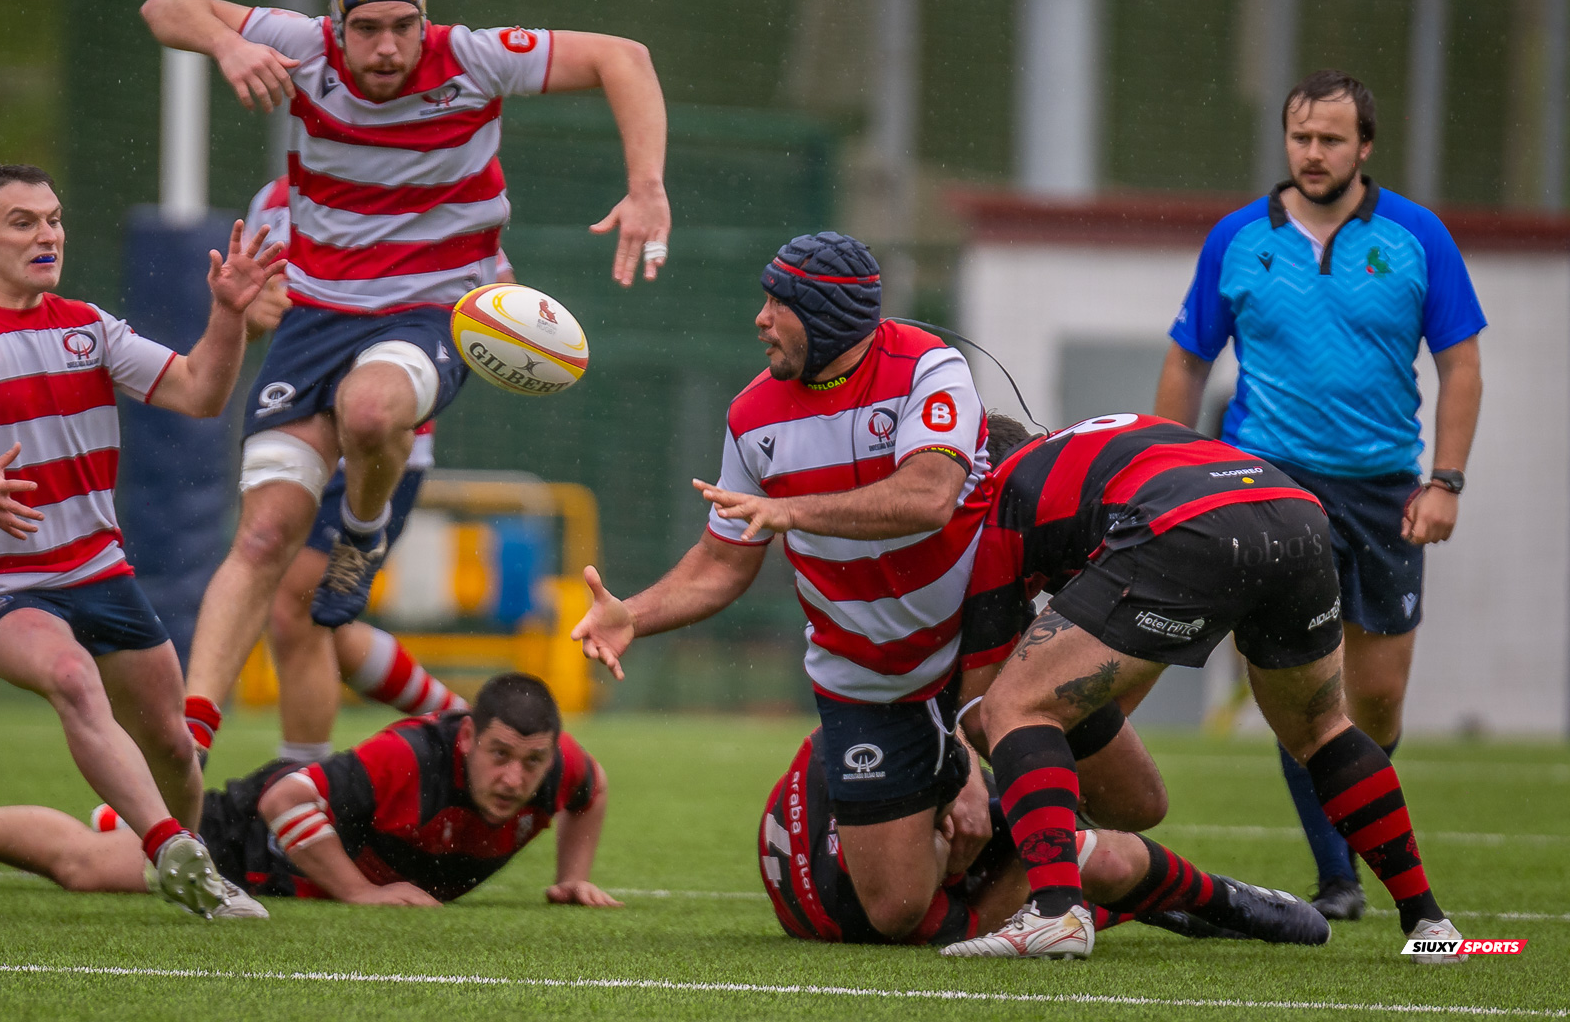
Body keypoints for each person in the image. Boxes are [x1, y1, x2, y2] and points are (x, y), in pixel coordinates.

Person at [139, 0, 672, 767]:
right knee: (265, 543)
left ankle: (362, 535)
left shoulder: (474, 58)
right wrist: (228, 44)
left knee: (367, 421)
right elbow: (166, 7)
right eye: (368, 29)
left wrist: (646, 189)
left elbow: (624, 58)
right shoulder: (300, 51)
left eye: (403, 26)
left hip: (430, 311)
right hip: (320, 323)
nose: (388, 46)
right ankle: (189, 745)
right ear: (336, 26)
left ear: (425, 21)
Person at [0, 164, 284, 919]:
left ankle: (182, 858)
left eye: (54, 219)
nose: (47, 235)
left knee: (174, 747)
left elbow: (200, 392)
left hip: (98, 572)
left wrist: (228, 314)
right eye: (23, 222)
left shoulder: (88, 328)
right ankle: (175, 853)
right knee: (71, 676)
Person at [572, 231, 994, 942]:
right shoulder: (751, 415)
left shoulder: (929, 367)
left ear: (828, 314)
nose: (760, 319)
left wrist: (793, 511)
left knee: (1134, 800)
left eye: (779, 304)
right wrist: (633, 616)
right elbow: (722, 562)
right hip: (864, 678)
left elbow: (928, 497)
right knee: (894, 911)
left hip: (980, 648)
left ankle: (1096, 864)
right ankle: (1056, 857)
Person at [947, 412, 1465, 962]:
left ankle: (1055, 913)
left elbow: (980, 701)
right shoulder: (1088, 446)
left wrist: (1020, 777)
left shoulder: (1000, 498)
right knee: (1322, 730)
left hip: (1187, 523)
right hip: (1294, 510)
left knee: (1014, 706)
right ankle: (1429, 922)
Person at [1154, 70, 1486, 922]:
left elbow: (1461, 366)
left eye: (1331, 139)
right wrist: (1163, 469)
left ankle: (1356, 826)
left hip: (1384, 491)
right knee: (1301, 684)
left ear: (1365, 146)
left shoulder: (1417, 236)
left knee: (1376, 699)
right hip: (1269, 483)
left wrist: (1445, 482)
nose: (1312, 153)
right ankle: (1337, 876)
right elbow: (1188, 359)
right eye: (1300, 136)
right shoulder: (1237, 238)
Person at [0, 673, 619, 910]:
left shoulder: (561, 768)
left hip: (302, 871)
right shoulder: (409, 758)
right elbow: (286, 803)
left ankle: (126, 819)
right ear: (468, 738)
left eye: (531, 762)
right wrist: (361, 893)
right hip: (258, 832)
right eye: (500, 756)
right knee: (89, 869)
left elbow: (593, 792)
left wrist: (571, 878)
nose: (514, 778)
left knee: (114, 848)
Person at [240, 176, 469, 767]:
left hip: (376, 443)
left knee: (295, 612)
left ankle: (299, 787)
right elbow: (250, 316)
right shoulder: (274, 201)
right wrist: (249, 311)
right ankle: (463, 726)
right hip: (298, 424)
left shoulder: (434, 181)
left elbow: (491, 303)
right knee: (313, 621)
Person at [759, 727, 1330, 950]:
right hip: (911, 891)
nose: (960, 828)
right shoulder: (893, 904)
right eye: (943, 831)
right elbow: (984, 920)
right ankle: (1216, 902)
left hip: (917, 813)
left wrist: (965, 773)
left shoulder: (850, 752)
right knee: (1101, 860)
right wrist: (1042, 847)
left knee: (1074, 808)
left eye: (948, 814)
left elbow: (921, 709)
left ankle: (1188, 898)